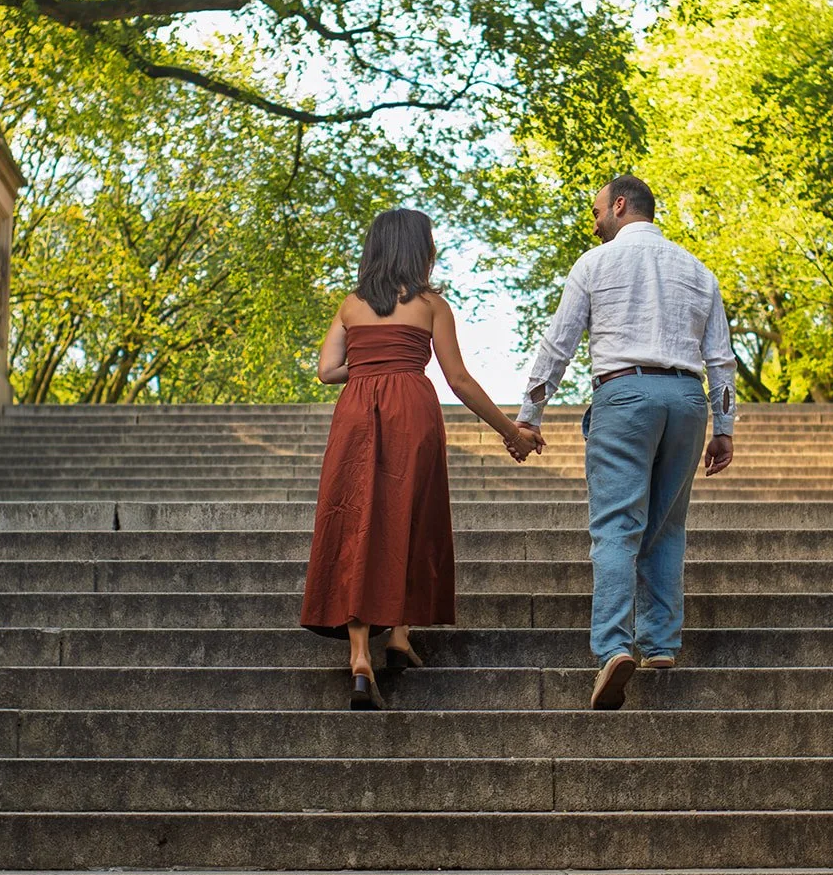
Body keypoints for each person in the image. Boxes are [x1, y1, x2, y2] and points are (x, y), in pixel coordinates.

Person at [302, 208, 544, 709]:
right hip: (412, 407)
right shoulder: (433, 305)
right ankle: (399, 636)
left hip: (357, 411)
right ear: (420, 251)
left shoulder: (351, 305)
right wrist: (511, 431)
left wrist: (370, 362)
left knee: (358, 520)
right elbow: (458, 380)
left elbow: (327, 370)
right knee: (409, 513)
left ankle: (360, 658)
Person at [516, 174, 736, 710]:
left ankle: (614, 647)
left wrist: (530, 415)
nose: (594, 223)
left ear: (618, 206)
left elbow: (558, 344)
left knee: (617, 526)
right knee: (666, 525)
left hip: (623, 394)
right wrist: (724, 427)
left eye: (597, 212)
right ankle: (660, 643)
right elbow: (721, 358)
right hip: (686, 400)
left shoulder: (595, 264)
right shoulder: (698, 271)